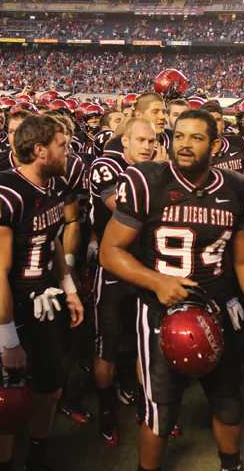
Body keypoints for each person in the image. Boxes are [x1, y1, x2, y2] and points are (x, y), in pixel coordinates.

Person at [100, 108, 244, 471]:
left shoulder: (237, 187)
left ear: (216, 144)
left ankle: (231, 464)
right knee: (160, 410)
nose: (185, 145)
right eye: (179, 136)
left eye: (196, 138)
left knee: (229, 401)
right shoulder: (147, 180)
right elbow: (109, 252)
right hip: (161, 312)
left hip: (218, 308)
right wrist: (157, 281)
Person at [0, 114, 85, 471]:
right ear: (40, 150)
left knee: (51, 387)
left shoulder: (52, 185)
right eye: (61, 145)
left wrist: (68, 287)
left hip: (46, 298)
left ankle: (37, 452)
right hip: (11, 304)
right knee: (7, 398)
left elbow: (51, 241)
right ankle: (4, 465)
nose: (67, 152)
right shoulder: (2, 191)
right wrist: (7, 338)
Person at [89, 117, 157, 446]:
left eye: (153, 141)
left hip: (146, 265)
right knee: (108, 342)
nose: (149, 146)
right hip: (114, 265)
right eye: (141, 140)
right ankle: (105, 409)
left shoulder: (154, 170)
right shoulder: (106, 165)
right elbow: (123, 205)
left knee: (146, 342)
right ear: (125, 141)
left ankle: (147, 405)